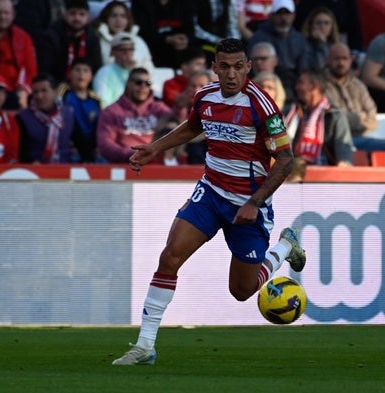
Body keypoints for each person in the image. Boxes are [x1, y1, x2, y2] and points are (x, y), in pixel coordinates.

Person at [111, 38, 306, 366]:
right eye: (224, 67)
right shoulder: (204, 96)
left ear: (248, 67)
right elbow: (191, 128)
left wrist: (255, 203)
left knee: (242, 291)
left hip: (248, 205)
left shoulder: (262, 105)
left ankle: (285, 248)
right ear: (214, 68)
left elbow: (286, 161)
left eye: (238, 67)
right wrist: (154, 148)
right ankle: (145, 345)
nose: (231, 74)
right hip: (211, 193)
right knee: (169, 257)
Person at [324, 42, 385, 153]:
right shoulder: (320, 86)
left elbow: (372, 119)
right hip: (334, 140)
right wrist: (360, 117)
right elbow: (334, 120)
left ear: (351, 60)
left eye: (345, 59)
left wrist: (350, 119)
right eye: (336, 59)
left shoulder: (358, 85)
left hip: (361, 138)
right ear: (327, 60)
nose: (341, 63)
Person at [96, 67, 174, 163]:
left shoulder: (158, 109)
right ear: (128, 84)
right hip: (125, 167)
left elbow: (178, 128)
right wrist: (134, 155)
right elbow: (105, 145)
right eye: (138, 82)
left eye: (147, 83)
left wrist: (180, 108)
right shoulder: (112, 111)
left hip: (156, 165)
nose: (143, 87)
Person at [285, 69, 354, 166]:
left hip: (325, 174)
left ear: (314, 86)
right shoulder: (293, 113)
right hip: (294, 172)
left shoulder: (334, 115)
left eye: (301, 83)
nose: (297, 87)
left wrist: (342, 169)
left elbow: (343, 151)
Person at [248, 0, 309, 106]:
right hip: (266, 88)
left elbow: (303, 70)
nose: (283, 18)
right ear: (271, 15)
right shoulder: (258, 38)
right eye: (279, 13)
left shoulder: (300, 39)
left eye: (287, 14)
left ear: (294, 15)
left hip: (293, 93)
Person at [38, 0, 102, 84]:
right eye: (72, 13)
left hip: (85, 88)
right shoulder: (51, 37)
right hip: (57, 87)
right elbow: (45, 70)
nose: (77, 18)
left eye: (82, 14)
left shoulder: (92, 38)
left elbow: (97, 69)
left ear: (88, 18)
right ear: (65, 15)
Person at [17, 73, 74, 164]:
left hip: (65, 168)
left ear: (55, 92)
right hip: (35, 171)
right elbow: (21, 150)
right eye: (35, 92)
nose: (39, 96)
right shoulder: (23, 117)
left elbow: (80, 141)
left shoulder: (68, 114)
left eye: (44, 91)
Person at [58, 58, 101, 163]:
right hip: (70, 147)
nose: (81, 74)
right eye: (77, 70)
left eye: (86, 71)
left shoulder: (96, 100)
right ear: (70, 74)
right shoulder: (63, 94)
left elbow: (99, 125)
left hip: (91, 148)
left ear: (91, 77)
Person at [131, 0, 197, 69]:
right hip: (153, 53)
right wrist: (166, 39)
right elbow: (142, 31)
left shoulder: (186, 3)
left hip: (181, 52)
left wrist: (186, 39)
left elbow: (191, 29)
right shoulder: (141, 3)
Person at [93, 1, 154, 71]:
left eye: (123, 16)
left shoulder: (139, 41)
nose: (118, 20)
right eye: (114, 16)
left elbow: (149, 69)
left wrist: (147, 81)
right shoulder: (97, 41)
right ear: (106, 18)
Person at [294, 0, 363, 52]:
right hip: (311, 41)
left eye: (326, 23)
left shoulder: (347, 2)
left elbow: (355, 28)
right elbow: (298, 24)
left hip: (339, 42)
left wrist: (355, 51)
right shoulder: (307, 2)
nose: (323, 26)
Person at [93, 32, 137, 107]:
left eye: (130, 49)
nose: (127, 53)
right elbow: (103, 103)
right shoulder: (104, 73)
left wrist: (134, 73)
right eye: (123, 50)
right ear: (113, 52)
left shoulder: (138, 71)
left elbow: (149, 86)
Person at [300, 6, 339, 71]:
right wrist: (321, 43)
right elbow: (320, 66)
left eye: (326, 23)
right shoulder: (303, 44)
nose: (322, 27)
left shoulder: (337, 46)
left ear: (332, 26)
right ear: (310, 25)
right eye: (318, 23)